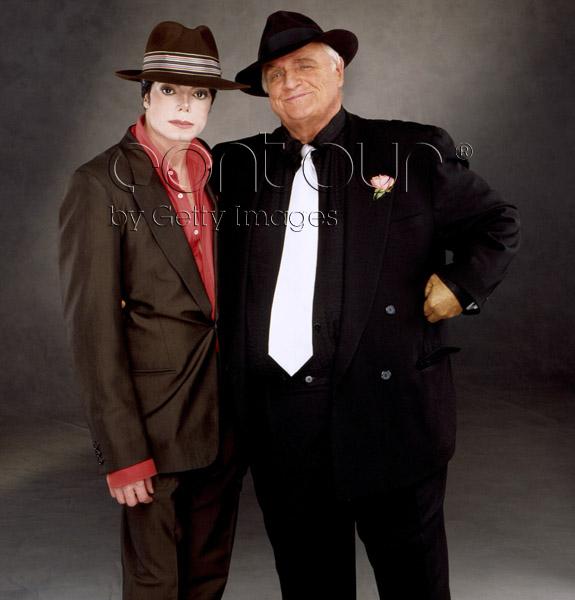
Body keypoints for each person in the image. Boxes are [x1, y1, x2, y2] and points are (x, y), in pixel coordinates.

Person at [212, 10, 521, 600]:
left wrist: (461, 286)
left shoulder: (410, 150)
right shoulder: (235, 166)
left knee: (413, 587)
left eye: (304, 65)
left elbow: (498, 222)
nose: (289, 82)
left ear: (339, 71)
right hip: (281, 422)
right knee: (310, 586)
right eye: (275, 74)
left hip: (390, 414)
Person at [59, 21, 248, 600]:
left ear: (211, 104)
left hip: (223, 419)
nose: (184, 106)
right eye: (169, 90)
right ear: (145, 96)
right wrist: (121, 452)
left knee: (207, 577)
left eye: (199, 94)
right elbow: (93, 329)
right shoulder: (100, 184)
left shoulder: (219, 178)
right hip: (151, 425)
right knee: (155, 583)